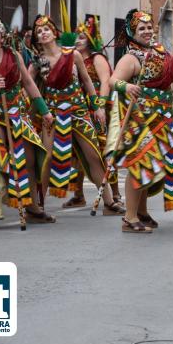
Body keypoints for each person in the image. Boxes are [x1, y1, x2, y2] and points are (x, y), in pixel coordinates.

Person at [29, 14, 125, 215]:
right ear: (36, 38)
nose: (43, 33)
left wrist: (97, 107)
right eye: (39, 31)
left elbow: (87, 82)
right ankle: (37, 206)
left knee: (93, 155)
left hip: (79, 110)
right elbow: (29, 86)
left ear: (55, 32)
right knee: (46, 158)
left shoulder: (73, 55)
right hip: (53, 115)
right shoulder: (38, 62)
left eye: (46, 29)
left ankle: (109, 202)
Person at [0, 16, 55, 229]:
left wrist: (44, 111)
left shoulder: (13, 55)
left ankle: (32, 206)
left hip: (17, 115)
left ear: (2, 35)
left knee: (30, 159)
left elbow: (28, 82)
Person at [108, 9, 173, 232]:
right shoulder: (131, 58)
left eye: (149, 27)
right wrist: (127, 86)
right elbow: (113, 81)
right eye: (142, 28)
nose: (147, 31)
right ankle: (129, 217)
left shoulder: (159, 52)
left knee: (149, 165)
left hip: (160, 117)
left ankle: (141, 211)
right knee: (140, 163)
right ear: (132, 32)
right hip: (139, 118)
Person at [61, 16, 122, 209]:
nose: (77, 41)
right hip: (79, 107)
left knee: (103, 151)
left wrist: (100, 106)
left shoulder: (97, 58)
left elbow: (105, 81)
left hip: (97, 109)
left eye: (82, 38)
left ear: (89, 39)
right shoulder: (73, 58)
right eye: (76, 38)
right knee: (77, 153)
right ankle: (78, 194)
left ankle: (116, 194)